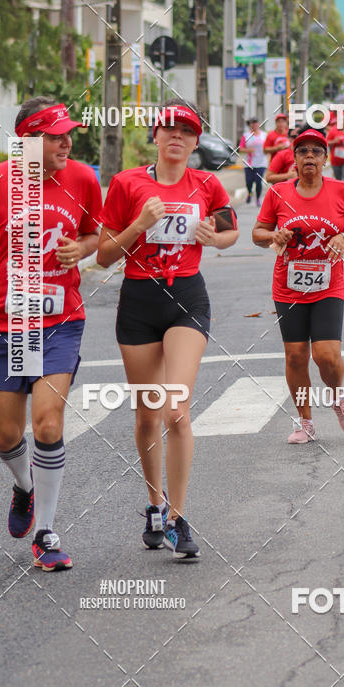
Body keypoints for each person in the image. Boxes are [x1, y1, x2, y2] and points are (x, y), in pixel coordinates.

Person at [0, 97, 102, 571]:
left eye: (67, 134)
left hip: (59, 321)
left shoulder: (82, 179)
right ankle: (24, 486)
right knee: (5, 435)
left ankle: (47, 533)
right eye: (55, 136)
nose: (66, 142)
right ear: (27, 142)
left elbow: (96, 233)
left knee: (49, 424)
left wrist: (83, 248)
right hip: (3, 324)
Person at [97, 102, 239, 560]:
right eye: (169, 129)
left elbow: (229, 229)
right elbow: (102, 254)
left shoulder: (207, 183)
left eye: (187, 131)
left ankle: (178, 518)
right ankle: (154, 504)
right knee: (147, 416)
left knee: (176, 411)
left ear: (196, 142)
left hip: (187, 300)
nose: (177, 136)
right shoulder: (127, 184)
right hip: (138, 301)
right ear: (155, 137)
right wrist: (140, 223)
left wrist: (213, 239)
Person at [253, 128, 344, 443]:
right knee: (295, 355)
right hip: (288, 286)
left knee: (326, 356)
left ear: (325, 159)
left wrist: (343, 236)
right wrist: (273, 236)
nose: (309, 157)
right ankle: (305, 421)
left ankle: (337, 399)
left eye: (316, 152)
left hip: (327, 285)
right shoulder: (278, 193)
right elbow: (258, 233)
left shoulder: (343, 191)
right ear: (294, 159)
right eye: (303, 151)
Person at [238, 117, 267, 206]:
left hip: (261, 163)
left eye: (255, 122)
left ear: (258, 124)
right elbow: (240, 149)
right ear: (250, 125)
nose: (254, 124)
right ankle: (249, 193)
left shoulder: (264, 135)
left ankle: (258, 198)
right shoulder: (246, 135)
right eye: (252, 123)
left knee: (258, 181)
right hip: (249, 163)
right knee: (249, 181)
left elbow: (268, 146)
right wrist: (248, 150)